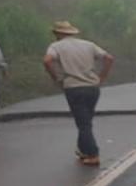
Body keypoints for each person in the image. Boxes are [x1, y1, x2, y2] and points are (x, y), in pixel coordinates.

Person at [43, 21, 114, 166]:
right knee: (86, 121)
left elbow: (47, 61)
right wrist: (102, 77)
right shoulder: (88, 44)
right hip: (93, 87)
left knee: (83, 124)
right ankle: (83, 149)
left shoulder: (56, 46)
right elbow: (109, 58)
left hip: (74, 87)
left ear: (58, 34)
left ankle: (93, 154)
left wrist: (56, 78)